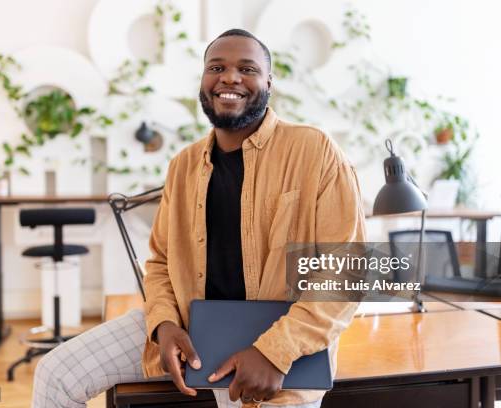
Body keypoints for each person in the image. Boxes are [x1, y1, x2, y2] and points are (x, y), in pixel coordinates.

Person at [32, 28, 365, 408]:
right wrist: (164, 324)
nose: (229, 77)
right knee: (56, 374)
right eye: (217, 67)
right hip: (193, 325)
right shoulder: (183, 165)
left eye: (247, 68)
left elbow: (346, 271)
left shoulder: (315, 150)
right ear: (204, 82)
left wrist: (275, 352)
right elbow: (159, 260)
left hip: (285, 339)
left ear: (269, 83)